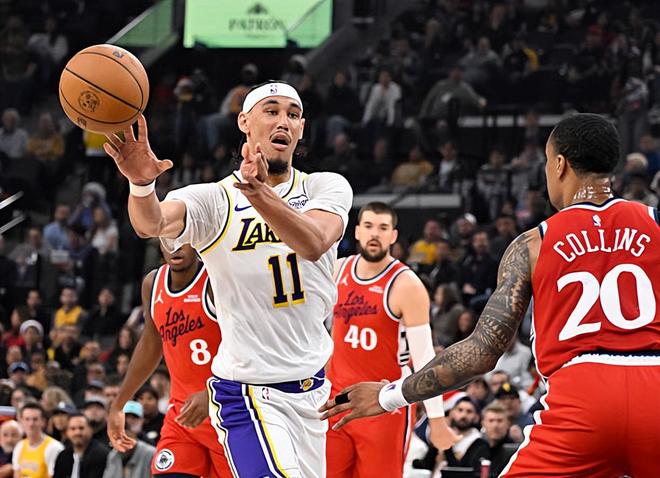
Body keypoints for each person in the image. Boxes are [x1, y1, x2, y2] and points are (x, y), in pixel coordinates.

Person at [321, 113, 660, 477]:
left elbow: (482, 351)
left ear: (559, 164)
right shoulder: (656, 222)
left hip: (581, 400)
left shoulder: (533, 243)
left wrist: (388, 396)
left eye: (547, 162)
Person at [103, 80, 353, 477]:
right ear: (244, 122)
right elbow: (151, 223)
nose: (283, 121)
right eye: (271, 111)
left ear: (301, 128)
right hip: (247, 394)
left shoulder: (325, 186)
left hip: (312, 392)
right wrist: (141, 185)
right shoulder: (216, 200)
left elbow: (314, 242)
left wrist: (259, 194)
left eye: (292, 114)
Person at [326, 202, 457, 477]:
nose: (375, 234)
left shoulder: (406, 285)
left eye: (383, 228)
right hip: (337, 401)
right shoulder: (337, 270)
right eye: (369, 226)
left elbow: (424, 357)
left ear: (393, 236)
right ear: (357, 231)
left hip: (383, 407)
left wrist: (436, 418)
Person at [107, 243, 230, 477]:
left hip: (226, 414)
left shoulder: (216, 279)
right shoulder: (153, 284)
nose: (175, 246)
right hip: (181, 417)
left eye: (182, 237)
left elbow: (247, 345)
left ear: (195, 239)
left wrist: (214, 391)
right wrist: (119, 404)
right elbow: (150, 345)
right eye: (168, 238)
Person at [13, 402, 64, 478]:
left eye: (35, 419)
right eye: (27, 419)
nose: (31, 424)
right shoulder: (19, 446)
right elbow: (16, 474)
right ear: (21, 421)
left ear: (43, 421)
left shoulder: (54, 447)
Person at [52, 414, 108, 478]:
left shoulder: (101, 454)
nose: (77, 433)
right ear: (67, 432)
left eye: (81, 428)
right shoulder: (63, 456)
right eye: (73, 429)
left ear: (91, 430)